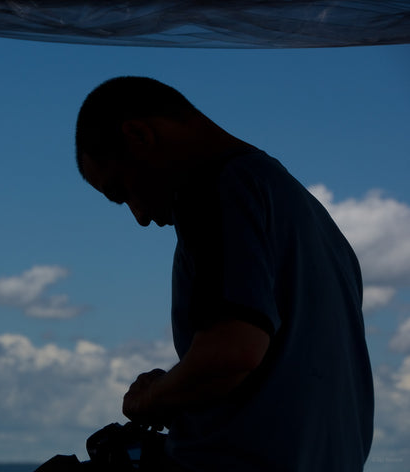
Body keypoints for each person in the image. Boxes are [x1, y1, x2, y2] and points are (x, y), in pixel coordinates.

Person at [74, 76, 374, 471]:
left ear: (138, 135)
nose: (141, 216)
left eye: (122, 191)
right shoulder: (306, 212)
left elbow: (231, 355)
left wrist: (150, 399)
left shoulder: (212, 188)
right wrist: (179, 387)